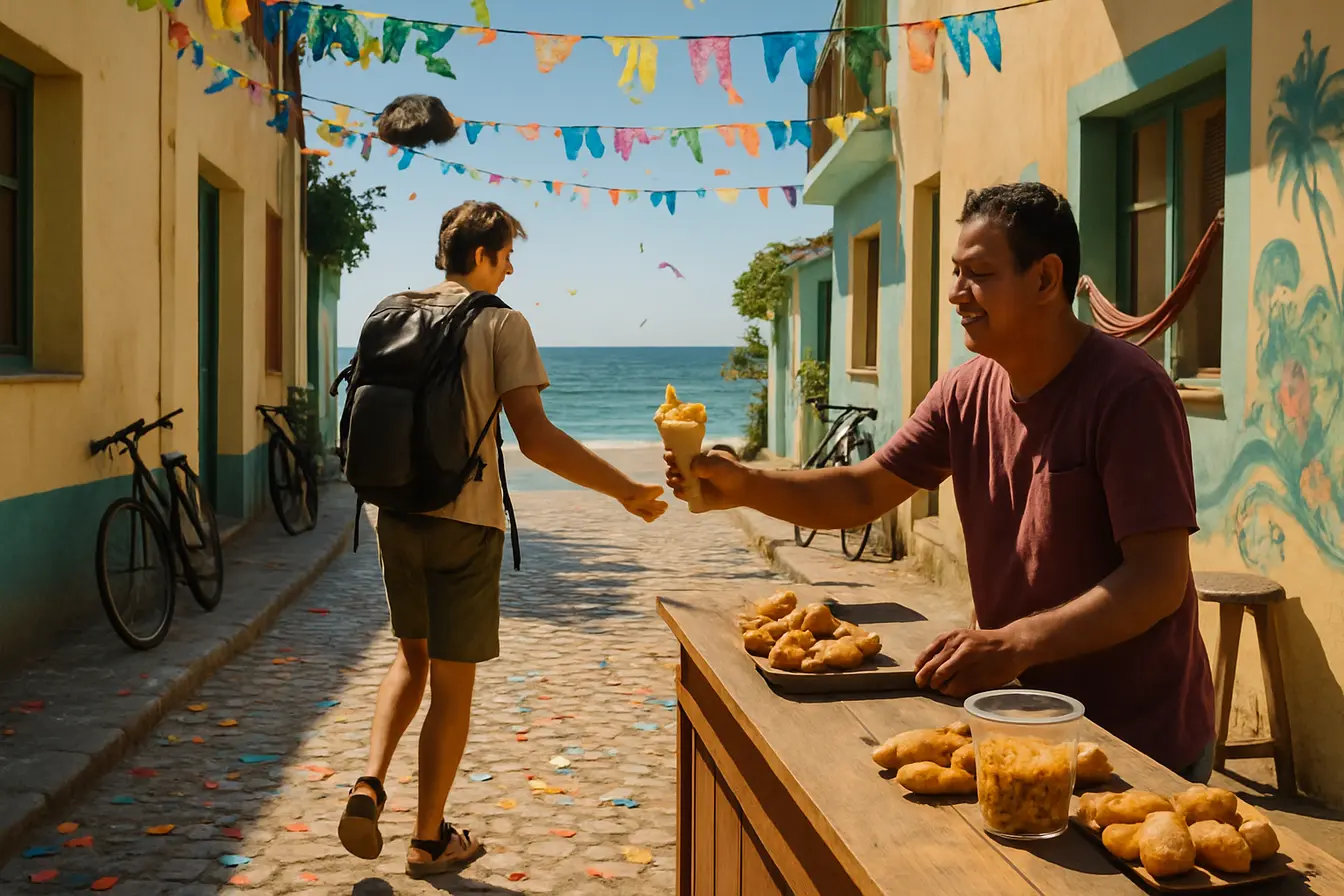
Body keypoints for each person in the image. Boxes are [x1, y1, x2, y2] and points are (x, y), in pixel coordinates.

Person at [666, 183, 1216, 781]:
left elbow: (1157, 580)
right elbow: (863, 490)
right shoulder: (964, 390)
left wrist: (1014, 643)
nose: (956, 293)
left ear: (1045, 278)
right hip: (1014, 719)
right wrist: (746, 485)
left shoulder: (1129, 392)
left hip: (1133, 742)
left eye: (977, 273)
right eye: (955, 272)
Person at [340, 201, 668, 878]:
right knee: (452, 689)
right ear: (484, 254)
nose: (513, 266)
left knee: (410, 660)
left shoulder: (390, 308)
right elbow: (537, 437)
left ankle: (369, 780)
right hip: (464, 523)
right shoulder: (500, 322)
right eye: (508, 253)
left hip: (393, 513)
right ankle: (429, 839)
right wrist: (625, 491)